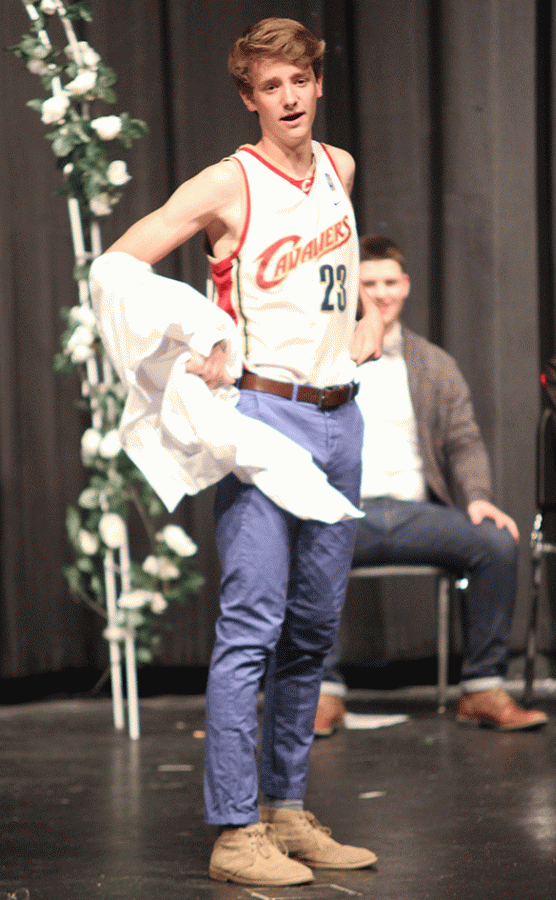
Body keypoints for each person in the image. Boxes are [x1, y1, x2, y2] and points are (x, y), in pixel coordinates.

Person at [101, 18, 382, 887]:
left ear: (317, 82)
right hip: (264, 421)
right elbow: (117, 266)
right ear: (249, 97)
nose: (289, 97)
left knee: (310, 633)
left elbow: (333, 287)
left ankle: (288, 812)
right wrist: (191, 337)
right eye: (271, 86)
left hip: (341, 419)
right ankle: (234, 830)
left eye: (299, 79)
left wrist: (369, 324)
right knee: (251, 629)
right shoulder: (229, 183)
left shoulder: (337, 169)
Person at [315, 236, 549, 736]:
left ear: (406, 286)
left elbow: (463, 441)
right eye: (368, 281)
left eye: (389, 282)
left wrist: (479, 499)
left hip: (418, 514)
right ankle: (321, 694)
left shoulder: (433, 364)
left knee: (496, 542)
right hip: (343, 511)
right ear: (351, 287)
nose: (380, 292)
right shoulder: (323, 356)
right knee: (302, 543)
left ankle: (483, 688)